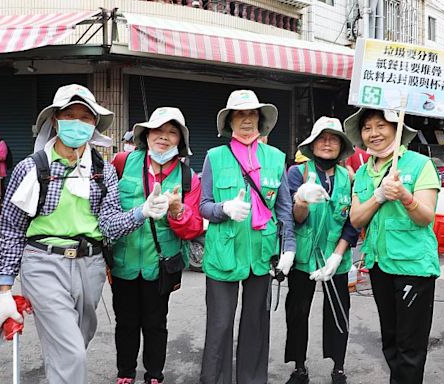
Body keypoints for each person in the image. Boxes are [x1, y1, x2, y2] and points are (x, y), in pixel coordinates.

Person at [0, 84, 170, 384]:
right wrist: (4, 289)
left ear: (94, 126)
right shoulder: (31, 168)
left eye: (85, 117)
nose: (77, 122)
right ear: (54, 121)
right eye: (69, 115)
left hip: (90, 266)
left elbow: (109, 226)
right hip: (43, 264)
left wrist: (142, 211)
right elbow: (11, 229)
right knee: (71, 352)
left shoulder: (103, 170)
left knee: (76, 342)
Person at [199, 89, 296, 384]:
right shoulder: (214, 157)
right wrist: (223, 209)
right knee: (220, 325)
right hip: (223, 254)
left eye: (251, 114)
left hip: (262, 255)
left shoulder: (277, 158)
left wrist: (289, 247)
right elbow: (203, 206)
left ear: (260, 120)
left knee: (256, 324)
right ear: (229, 121)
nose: (246, 120)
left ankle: (252, 380)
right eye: (239, 115)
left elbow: (284, 209)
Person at [346, 108, 440, 384]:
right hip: (378, 265)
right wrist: (378, 196)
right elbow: (356, 218)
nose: (373, 133)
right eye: (367, 128)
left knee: (409, 346)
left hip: (413, 268)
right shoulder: (362, 173)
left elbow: (425, 218)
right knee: (390, 339)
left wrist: (404, 196)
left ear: (396, 127)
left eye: (380, 125)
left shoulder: (420, 164)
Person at [110, 107, 204, 384]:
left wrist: (177, 212)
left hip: (160, 264)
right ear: (146, 134)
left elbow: (194, 228)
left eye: (172, 132)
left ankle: (154, 374)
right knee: (125, 322)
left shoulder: (189, 179)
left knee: (155, 323)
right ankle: (125, 372)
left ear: (180, 140)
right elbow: (107, 209)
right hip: (123, 261)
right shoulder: (121, 162)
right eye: (158, 130)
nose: (164, 137)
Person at [284, 117, 358, 384]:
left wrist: (338, 255)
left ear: (341, 145)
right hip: (303, 258)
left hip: (336, 258)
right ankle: (299, 367)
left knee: (339, 313)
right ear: (312, 144)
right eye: (322, 138)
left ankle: (338, 367)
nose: (328, 143)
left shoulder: (349, 177)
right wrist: (301, 199)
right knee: (297, 312)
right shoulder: (296, 173)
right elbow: (293, 219)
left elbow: (353, 221)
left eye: (334, 138)